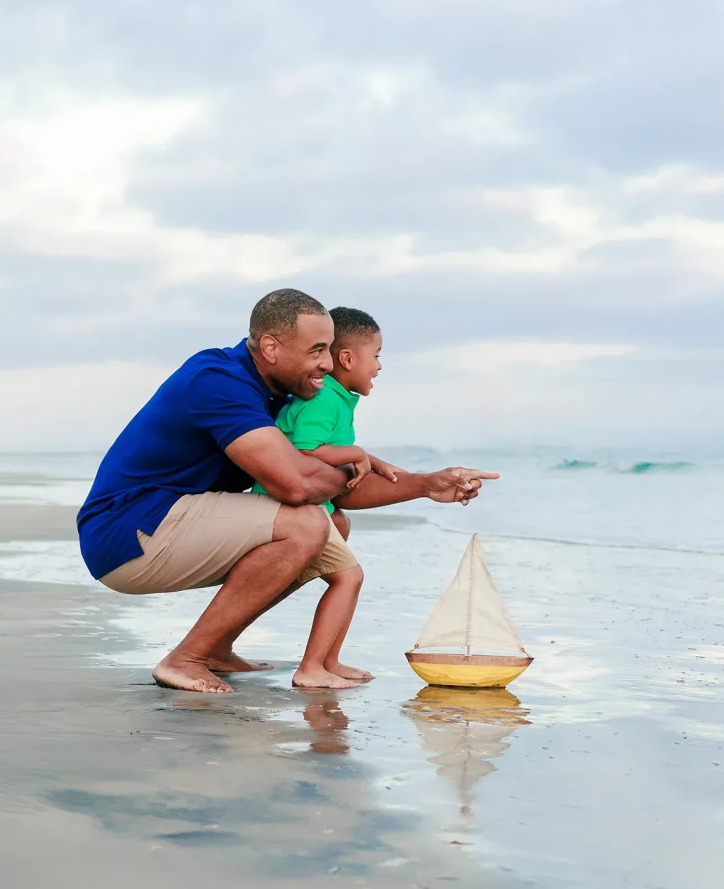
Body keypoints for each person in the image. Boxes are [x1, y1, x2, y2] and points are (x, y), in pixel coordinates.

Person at [76, 288, 498, 694]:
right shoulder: (219, 381)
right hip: (130, 532)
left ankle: (217, 648)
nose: (328, 365)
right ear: (271, 348)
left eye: (330, 350)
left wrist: (425, 485)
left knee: (332, 526)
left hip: (170, 523)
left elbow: (331, 490)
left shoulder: (280, 392)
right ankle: (185, 658)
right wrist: (349, 463)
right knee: (305, 524)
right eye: (316, 351)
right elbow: (297, 486)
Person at [250, 306, 396, 689]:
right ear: (348, 359)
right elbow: (303, 450)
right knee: (349, 578)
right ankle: (312, 668)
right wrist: (355, 453)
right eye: (376, 356)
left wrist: (369, 459)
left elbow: (328, 446)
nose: (379, 366)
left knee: (346, 566)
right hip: (291, 509)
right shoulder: (324, 401)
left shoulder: (336, 397)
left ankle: (328, 660)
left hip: (310, 509)